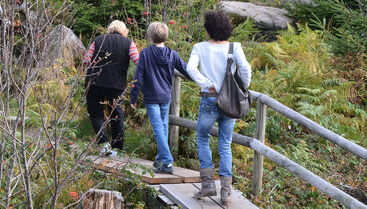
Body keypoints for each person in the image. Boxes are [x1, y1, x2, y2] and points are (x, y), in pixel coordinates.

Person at [185, 11, 251, 205]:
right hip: (229, 101)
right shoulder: (234, 46)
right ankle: (225, 193)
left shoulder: (200, 47)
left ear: (208, 29)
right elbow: (246, 69)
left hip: (209, 99)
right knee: (225, 144)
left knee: (203, 138)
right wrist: (241, 88)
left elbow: (190, 69)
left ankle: (207, 186)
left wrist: (206, 83)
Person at [130, 22, 191, 174]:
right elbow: (187, 70)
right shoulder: (172, 54)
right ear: (166, 36)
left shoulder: (145, 53)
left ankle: (168, 161)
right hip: (165, 96)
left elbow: (139, 76)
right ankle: (160, 161)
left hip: (151, 96)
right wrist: (202, 80)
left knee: (158, 128)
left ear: (150, 36)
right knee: (162, 127)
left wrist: (133, 97)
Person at [83, 20, 139, 157]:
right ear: (124, 31)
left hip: (94, 83)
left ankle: (104, 144)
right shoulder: (129, 43)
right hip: (116, 85)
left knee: (96, 114)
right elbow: (138, 61)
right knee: (116, 115)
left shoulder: (98, 40)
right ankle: (117, 149)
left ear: (109, 29)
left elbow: (86, 60)